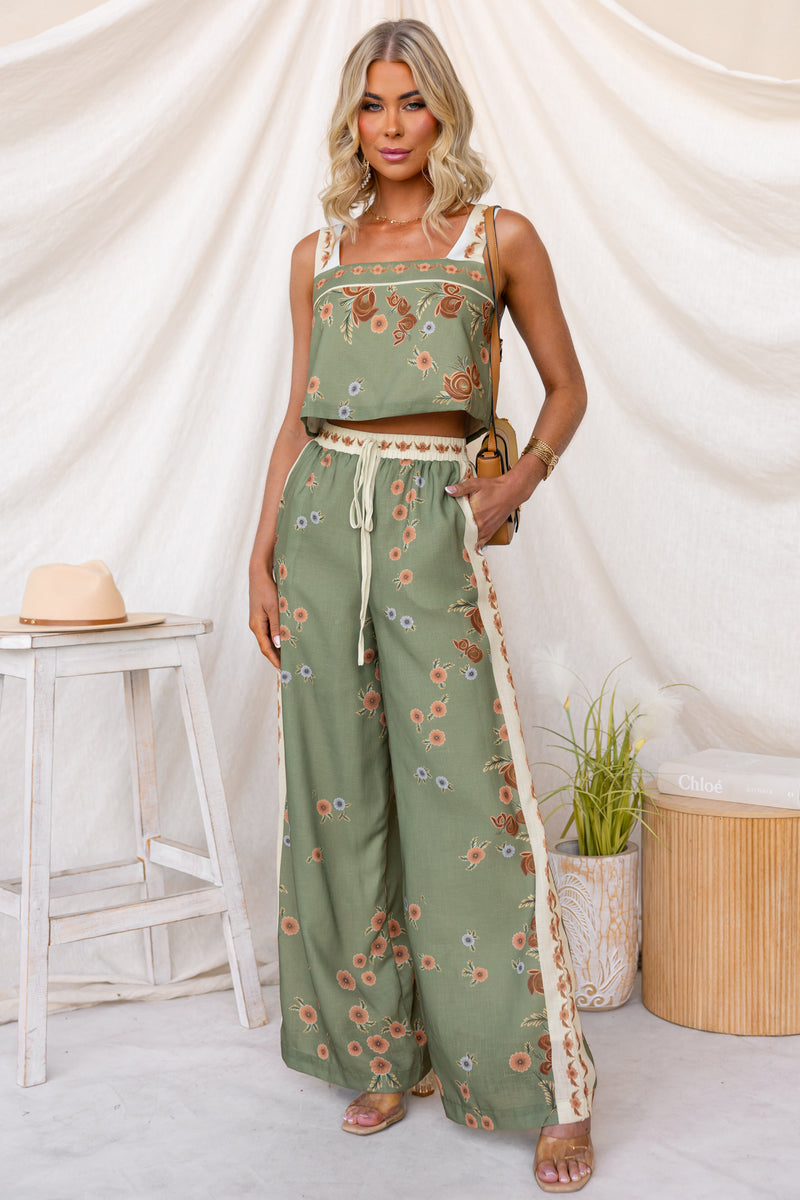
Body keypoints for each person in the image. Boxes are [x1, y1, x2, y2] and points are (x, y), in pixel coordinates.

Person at [249, 18, 595, 1193]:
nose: (391, 126)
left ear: (442, 110)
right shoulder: (318, 255)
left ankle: (540, 1086)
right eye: (371, 104)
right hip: (320, 528)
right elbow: (296, 419)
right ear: (350, 120)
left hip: (431, 525)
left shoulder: (498, 239)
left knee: (468, 807)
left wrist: (513, 482)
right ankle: (380, 1055)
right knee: (338, 804)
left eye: (410, 102)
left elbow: (565, 388)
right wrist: (260, 559)